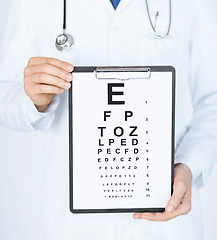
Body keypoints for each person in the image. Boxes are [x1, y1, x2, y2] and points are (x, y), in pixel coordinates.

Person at [0, 0, 217, 239]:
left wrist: (189, 166)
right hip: (75, 226)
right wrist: (35, 100)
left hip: (167, 219)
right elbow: (5, 96)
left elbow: (212, 100)